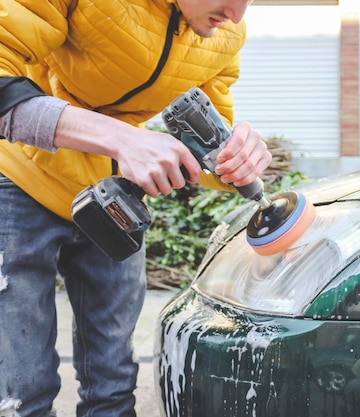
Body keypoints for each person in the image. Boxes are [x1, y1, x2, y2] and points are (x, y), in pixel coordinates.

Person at [0, 0, 269, 416]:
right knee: (23, 387)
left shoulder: (224, 34)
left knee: (113, 383)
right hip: (19, 176)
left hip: (114, 202)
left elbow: (209, 144)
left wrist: (237, 159)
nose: (236, 14)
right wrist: (121, 139)